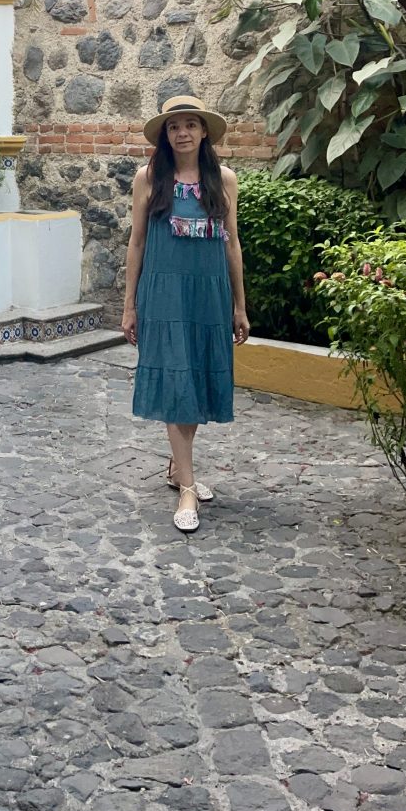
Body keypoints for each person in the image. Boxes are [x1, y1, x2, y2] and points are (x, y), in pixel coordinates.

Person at [121, 95, 250, 532]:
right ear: (165, 133)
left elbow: (232, 243)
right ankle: (189, 487)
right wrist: (129, 305)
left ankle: (178, 469)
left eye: (190, 124)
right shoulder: (149, 177)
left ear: (203, 132)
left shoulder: (225, 180)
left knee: (194, 376)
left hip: (208, 296)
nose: (182, 133)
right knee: (176, 379)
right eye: (174, 126)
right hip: (164, 294)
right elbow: (136, 243)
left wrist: (239, 306)